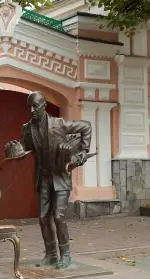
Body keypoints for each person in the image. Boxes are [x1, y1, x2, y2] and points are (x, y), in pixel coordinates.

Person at [5, 91, 92, 269]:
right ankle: (51, 254)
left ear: (44, 105)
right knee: (43, 218)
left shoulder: (58, 124)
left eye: (35, 106)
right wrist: (13, 151)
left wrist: (83, 151)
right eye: (29, 106)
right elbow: (25, 150)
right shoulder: (27, 129)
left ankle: (65, 255)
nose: (31, 110)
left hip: (60, 176)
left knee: (58, 216)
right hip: (43, 177)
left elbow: (86, 127)